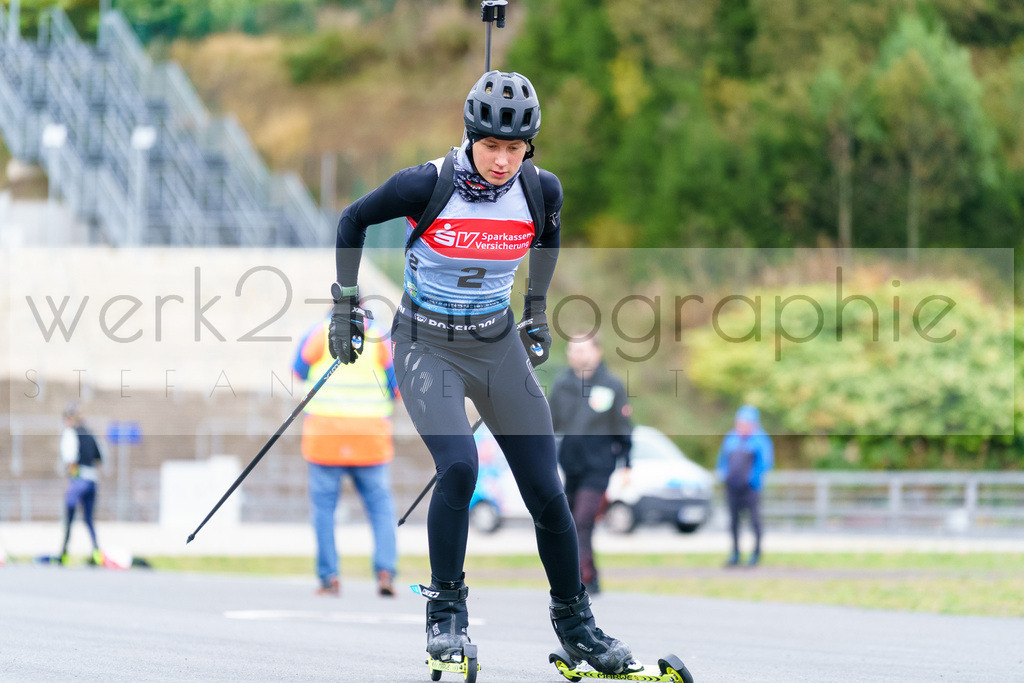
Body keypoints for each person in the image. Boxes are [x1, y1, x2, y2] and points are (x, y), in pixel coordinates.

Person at [328, 71, 638, 674]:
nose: (501, 160)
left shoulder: (541, 191)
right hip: (426, 343)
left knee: (548, 492)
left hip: (495, 344)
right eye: (491, 146)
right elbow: (351, 219)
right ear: (470, 137)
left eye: (514, 149)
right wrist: (344, 302)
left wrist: (536, 311)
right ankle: (445, 616)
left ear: (530, 148)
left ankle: (577, 627)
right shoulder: (427, 184)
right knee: (461, 468)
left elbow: (547, 239)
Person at [294, 314, 400, 597]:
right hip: (370, 440)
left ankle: (329, 578)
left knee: (324, 512)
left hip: (325, 439)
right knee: (381, 510)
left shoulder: (317, 333)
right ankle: (385, 572)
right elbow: (398, 387)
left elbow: (297, 372)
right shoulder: (380, 339)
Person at [549, 333, 633, 595]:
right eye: (573, 350)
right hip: (570, 465)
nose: (577, 355)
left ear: (597, 351)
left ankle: (580, 579)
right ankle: (590, 577)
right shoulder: (562, 385)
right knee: (569, 522)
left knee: (582, 520)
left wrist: (627, 464)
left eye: (582, 350)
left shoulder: (611, 385)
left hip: (599, 467)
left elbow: (623, 428)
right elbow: (550, 424)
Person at [716, 404, 774, 567]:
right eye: (739, 422)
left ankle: (756, 553)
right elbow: (723, 459)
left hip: (751, 489)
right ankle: (735, 553)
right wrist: (723, 474)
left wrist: (752, 479)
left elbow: (766, 462)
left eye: (744, 423)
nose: (741, 426)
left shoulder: (760, 439)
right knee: (733, 521)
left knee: (754, 521)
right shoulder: (731, 437)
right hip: (732, 487)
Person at [59, 403, 104, 564]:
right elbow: (99, 458)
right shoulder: (90, 434)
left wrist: (74, 480)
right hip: (93, 480)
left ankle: (63, 553)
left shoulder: (71, 433)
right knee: (89, 519)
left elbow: (70, 460)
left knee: (69, 516)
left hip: (80, 480)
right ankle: (97, 553)